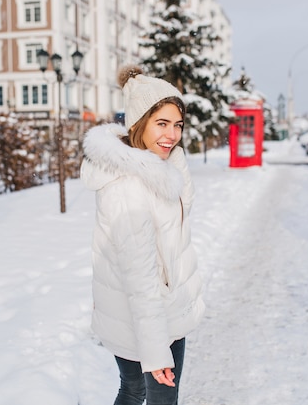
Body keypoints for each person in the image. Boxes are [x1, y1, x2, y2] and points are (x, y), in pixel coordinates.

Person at [80, 65, 205, 405]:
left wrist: (170, 158)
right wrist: (156, 353)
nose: (172, 134)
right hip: (150, 318)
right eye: (161, 124)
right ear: (138, 123)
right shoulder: (128, 188)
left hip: (138, 313)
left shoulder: (157, 170)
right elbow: (141, 278)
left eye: (177, 125)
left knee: (132, 390)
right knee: (159, 399)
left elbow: (183, 205)